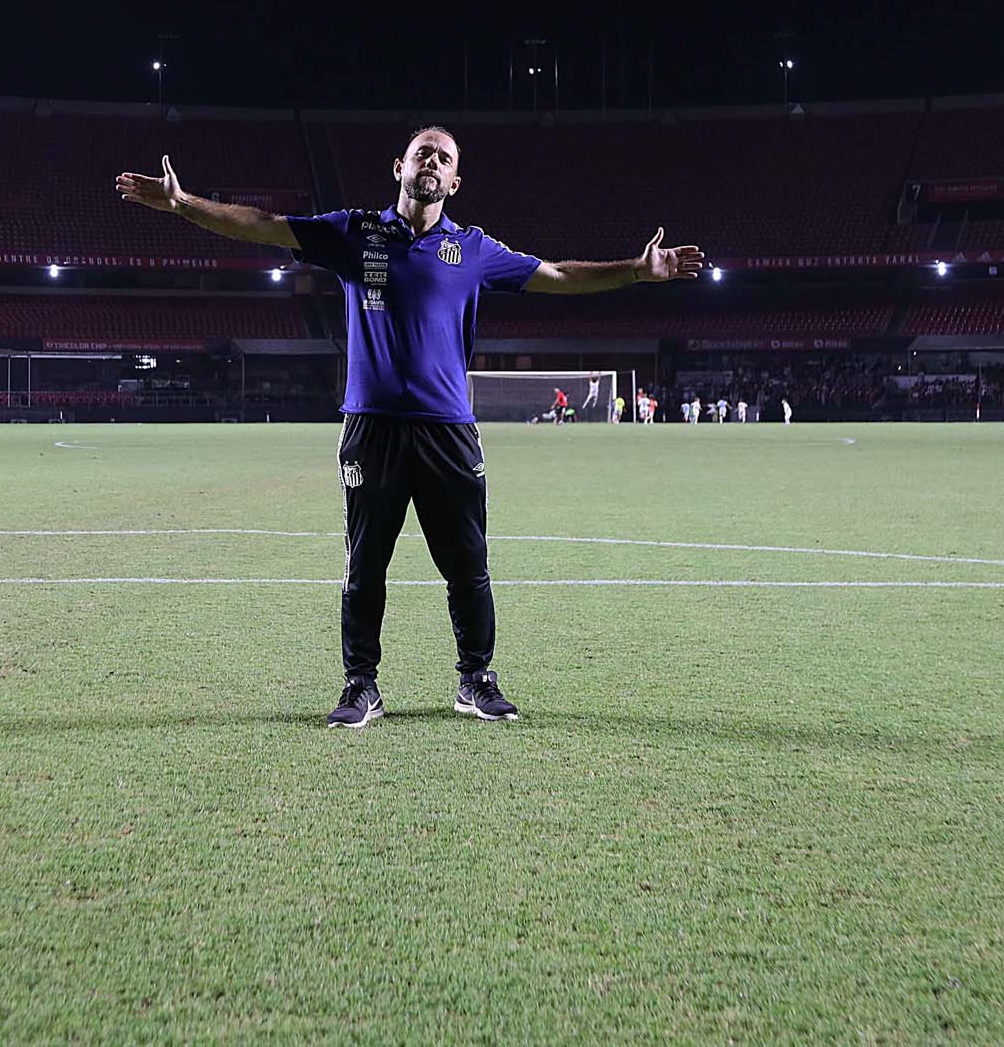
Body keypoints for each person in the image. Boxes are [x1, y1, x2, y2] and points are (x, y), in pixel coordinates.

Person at [117, 127, 703, 728]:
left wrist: (635, 270)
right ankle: (360, 685)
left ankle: (475, 680)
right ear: (400, 165)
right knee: (365, 567)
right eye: (424, 152)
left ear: (455, 181)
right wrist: (183, 205)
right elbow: (263, 224)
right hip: (372, 430)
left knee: (468, 566)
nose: (433, 162)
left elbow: (556, 276)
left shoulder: (473, 249)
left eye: (444, 158)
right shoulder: (354, 233)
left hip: (448, 430)